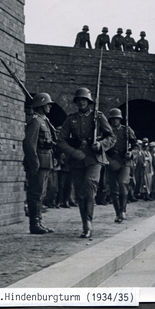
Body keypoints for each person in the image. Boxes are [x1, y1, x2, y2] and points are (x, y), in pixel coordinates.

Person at [57, 87, 116, 238]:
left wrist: (101, 144)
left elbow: (112, 137)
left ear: (89, 102)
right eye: (79, 100)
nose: (81, 102)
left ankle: (88, 223)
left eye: (84, 99)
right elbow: (61, 140)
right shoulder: (71, 119)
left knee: (89, 187)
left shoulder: (98, 117)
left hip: (95, 159)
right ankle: (85, 222)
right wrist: (73, 152)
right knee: (80, 194)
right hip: (77, 160)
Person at [23, 93, 56, 234]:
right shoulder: (36, 121)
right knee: (35, 193)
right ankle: (34, 224)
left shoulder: (44, 121)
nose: (50, 106)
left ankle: (39, 221)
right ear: (41, 105)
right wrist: (34, 163)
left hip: (45, 162)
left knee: (41, 193)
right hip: (39, 163)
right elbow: (29, 144)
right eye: (48, 104)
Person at [105, 108, 137, 222]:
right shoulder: (106, 131)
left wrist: (131, 153)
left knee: (123, 183)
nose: (115, 121)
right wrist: (107, 160)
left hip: (125, 160)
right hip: (112, 160)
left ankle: (123, 210)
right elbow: (102, 146)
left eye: (117, 119)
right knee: (113, 189)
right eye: (113, 119)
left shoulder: (126, 130)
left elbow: (136, 146)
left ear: (120, 119)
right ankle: (117, 213)